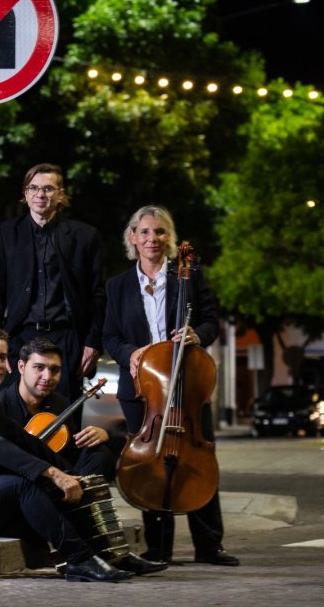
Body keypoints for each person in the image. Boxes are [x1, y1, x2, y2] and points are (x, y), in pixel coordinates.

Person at [0, 326, 166, 581]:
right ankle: (78, 559)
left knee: (63, 486)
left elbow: (25, 441)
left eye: (2, 357)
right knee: (25, 484)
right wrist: (53, 473)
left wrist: (71, 475)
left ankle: (111, 553)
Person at [102, 204, 239, 566]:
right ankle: (158, 547)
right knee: (150, 465)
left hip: (187, 387)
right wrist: (130, 353)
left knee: (198, 462)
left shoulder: (189, 277)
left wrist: (197, 334)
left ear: (170, 239)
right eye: (145, 232)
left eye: (160, 232)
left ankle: (209, 546)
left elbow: (211, 321)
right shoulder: (117, 286)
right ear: (133, 237)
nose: (152, 239)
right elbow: (110, 336)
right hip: (143, 391)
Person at [0, 163, 105, 403]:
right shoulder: (8, 233)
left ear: (60, 194)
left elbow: (97, 295)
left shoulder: (84, 236)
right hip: (19, 336)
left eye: (48, 188)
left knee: (63, 419)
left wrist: (92, 342)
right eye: (34, 188)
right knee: (12, 415)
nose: (40, 194)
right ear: (25, 194)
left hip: (65, 338)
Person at [0, 337, 116, 481]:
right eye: (39, 367)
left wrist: (103, 435)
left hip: (52, 474)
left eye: (55, 370)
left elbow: (70, 448)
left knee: (99, 454)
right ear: (21, 367)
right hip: (12, 479)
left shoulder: (59, 402)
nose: (47, 377)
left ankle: (86, 501)